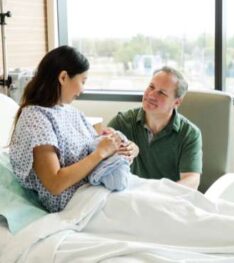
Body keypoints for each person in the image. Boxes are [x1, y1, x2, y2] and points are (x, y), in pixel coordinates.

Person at [9, 46, 137, 213]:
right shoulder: (35, 118)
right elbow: (55, 184)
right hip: (76, 202)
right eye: (82, 81)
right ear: (63, 77)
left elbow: (93, 145)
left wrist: (126, 148)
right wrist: (100, 153)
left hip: (95, 189)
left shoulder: (72, 112)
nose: (83, 90)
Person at [108, 66, 202, 189]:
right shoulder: (122, 122)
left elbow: (192, 179)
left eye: (161, 93)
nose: (151, 95)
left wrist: (158, 193)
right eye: (151, 87)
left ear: (176, 102)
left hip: (167, 199)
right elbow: (98, 156)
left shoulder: (190, 133)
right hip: (130, 197)